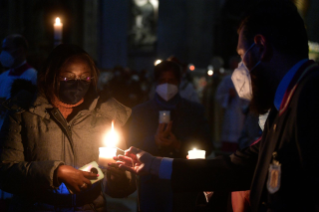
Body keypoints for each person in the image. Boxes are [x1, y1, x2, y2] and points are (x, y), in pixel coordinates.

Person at [115, 1, 319, 211]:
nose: (240, 70)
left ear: (260, 47)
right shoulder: (286, 101)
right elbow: (243, 166)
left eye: (241, 56)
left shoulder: (312, 99)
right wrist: (153, 164)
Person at [0, 44, 135, 212]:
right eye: (67, 77)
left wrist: (120, 179)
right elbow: (5, 172)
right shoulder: (24, 113)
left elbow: (122, 182)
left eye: (85, 78)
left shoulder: (107, 116)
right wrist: (56, 172)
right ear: (50, 76)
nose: (77, 84)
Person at [126, 60, 213, 212]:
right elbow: (130, 143)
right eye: (162, 81)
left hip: (184, 181)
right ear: (156, 83)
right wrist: (153, 141)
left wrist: (179, 145)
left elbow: (207, 144)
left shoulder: (194, 111)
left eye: (171, 81)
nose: (166, 85)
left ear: (179, 82)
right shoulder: (140, 112)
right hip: (151, 183)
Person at [0, 34, 37, 130]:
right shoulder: (3, 76)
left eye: (7, 49)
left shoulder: (33, 76)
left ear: (20, 50)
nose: (3, 53)